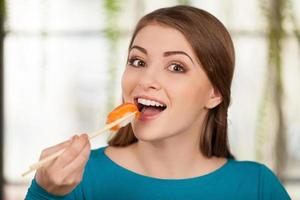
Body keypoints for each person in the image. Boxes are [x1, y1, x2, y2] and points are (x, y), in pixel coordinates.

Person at [25, 5, 291, 200]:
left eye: (176, 67)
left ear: (214, 94)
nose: (146, 79)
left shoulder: (257, 186)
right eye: (138, 62)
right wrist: (45, 194)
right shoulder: (76, 180)